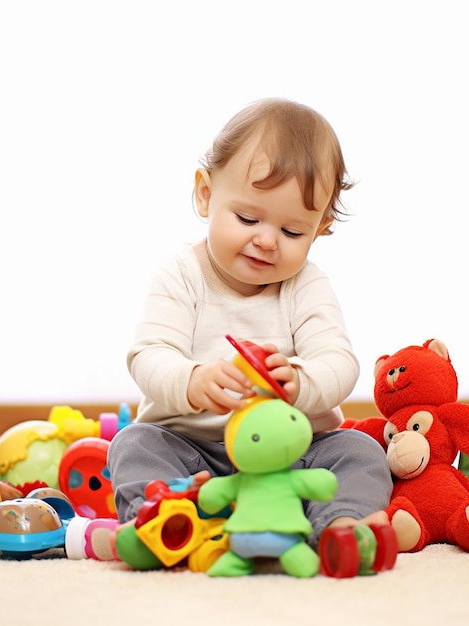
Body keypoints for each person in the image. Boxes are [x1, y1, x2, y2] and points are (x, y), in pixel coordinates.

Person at [95, 98, 392, 569]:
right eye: (248, 219)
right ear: (205, 194)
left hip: (291, 457)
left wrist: (299, 382)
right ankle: (163, 521)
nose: (267, 239)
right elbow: (149, 355)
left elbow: (339, 361)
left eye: (293, 231)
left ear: (320, 230)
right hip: (194, 453)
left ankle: (340, 525)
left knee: (361, 450)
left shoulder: (306, 285)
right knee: (133, 444)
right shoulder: (181, 275)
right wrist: (193, 380)